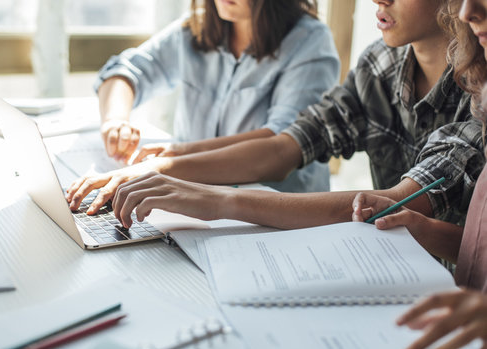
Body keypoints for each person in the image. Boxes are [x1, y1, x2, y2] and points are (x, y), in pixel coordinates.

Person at [67, 0, 484, 235]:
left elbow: (392, 204)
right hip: (387, 266)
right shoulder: (381, 63)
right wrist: (158, 166)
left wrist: (215, 198)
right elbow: (290, 144)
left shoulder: (479, 93)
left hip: (455, 297)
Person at [353, 0, 487, 349]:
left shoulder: (471, 97)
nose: (467, 12)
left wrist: (224, 201)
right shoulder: (483, 96)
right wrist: (425, 229)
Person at [94, 0, 339, 194]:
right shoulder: (196, 27)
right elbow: (125, 71)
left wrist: (174, 157)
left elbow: (283, 142)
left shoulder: (310, 42)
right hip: (193, 198)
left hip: (276, 217)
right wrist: (115, 121)